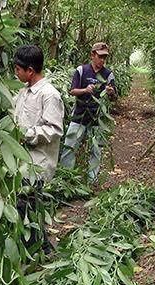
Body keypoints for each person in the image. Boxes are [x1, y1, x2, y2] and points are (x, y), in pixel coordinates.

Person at [13, 45, 64, 254]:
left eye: (18, 69)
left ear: (30, 71)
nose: (15, 73)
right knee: (24, 207)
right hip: (21, 160)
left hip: (37, 163)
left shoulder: (49, 95)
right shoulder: (24, 92)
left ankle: (43, 250)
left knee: (30, 208)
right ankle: (33, 248)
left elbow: (54, 129)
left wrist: (25, 134)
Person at [59, 42, 117, 182]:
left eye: (105, 58)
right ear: (92, 55)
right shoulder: (81, 70)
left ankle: (92, 180)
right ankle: (65, 178)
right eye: (100, 56)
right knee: (70, 147)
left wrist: (110, 92)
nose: (102, 60)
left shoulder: (108, 75)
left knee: (95, 151)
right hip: (79, 116)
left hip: (97, 119)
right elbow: (72, 91)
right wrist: (85, 90)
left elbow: (114, 98)